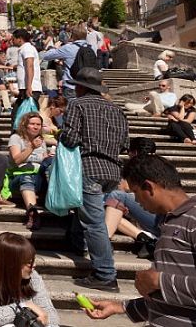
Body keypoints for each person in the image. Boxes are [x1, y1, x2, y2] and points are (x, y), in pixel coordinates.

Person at [85, 154, 196, 326]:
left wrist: (158, 281)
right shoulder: (169, 222)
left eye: (135, 193)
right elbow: (170, 297)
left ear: (149, 187)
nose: (137, 202)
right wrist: (122, 307)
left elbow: (162, 284)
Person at [60, 67, 129, 292]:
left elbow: (70, 139)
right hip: (112, 170)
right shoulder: (117, 110)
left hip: (90, 167)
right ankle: (74, 242)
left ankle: (106, 274)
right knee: (88, 212)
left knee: (94, 223)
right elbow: (125, 145)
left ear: (81, 87)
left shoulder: (77, 105)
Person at [0, 232, 59, 327]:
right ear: (12, 264)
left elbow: (51, 315)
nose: (34, 265)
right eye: (29, 263)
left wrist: (45, 320)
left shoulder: (33, 277)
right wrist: (24, 306)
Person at [8, 112, 54, 230]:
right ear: (25, 125)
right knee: (27, 176)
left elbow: (42, 160)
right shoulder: (16, 138)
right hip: (18, 177)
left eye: (38, 124)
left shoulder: (41, 140)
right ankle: (32, 213)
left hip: (38, 176)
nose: (36, 127)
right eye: (32, 124)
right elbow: (16, 160)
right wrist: (32, 147)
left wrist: (48, 156)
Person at [41, 23, 89, 99]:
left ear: (73, 35)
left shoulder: (68, 48)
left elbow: (46, 56)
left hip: (71, 86)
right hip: (86, 86)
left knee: (71, 109)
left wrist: (54, 47)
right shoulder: (91, 48)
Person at [11, 29, 42, 120]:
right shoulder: (24, 49)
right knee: (17, 115)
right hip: (25, 88)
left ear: (20, 39)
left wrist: (29, 87)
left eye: (14, 39)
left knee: (26, 116)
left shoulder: (27, 48)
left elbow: (30, 66)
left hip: (30, 88)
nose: (12, 41)